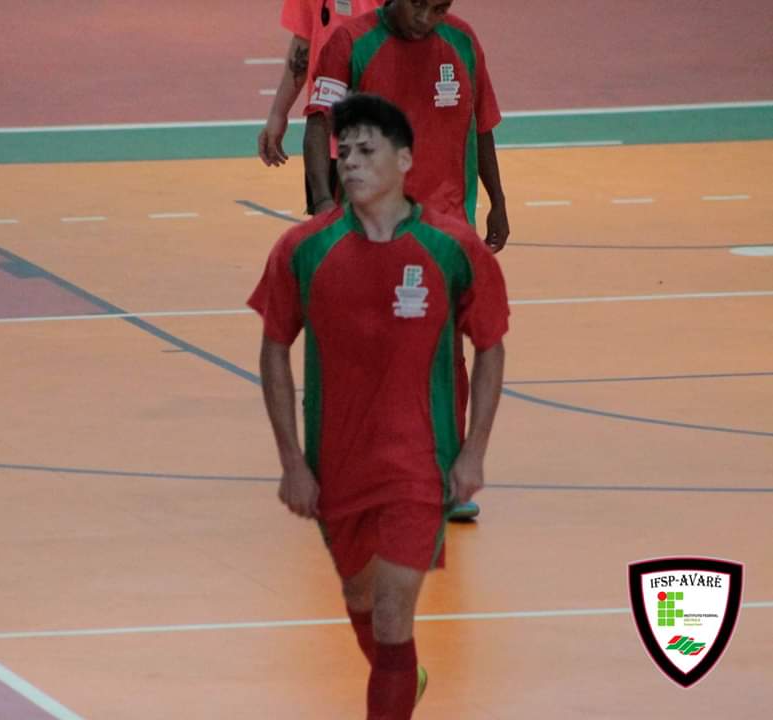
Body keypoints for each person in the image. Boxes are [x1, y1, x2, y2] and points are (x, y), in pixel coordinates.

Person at [248, 93, 508, 719]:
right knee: (364, 605)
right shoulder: (303, 250)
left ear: (406, 159)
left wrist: (472, 453)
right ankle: (403, 678)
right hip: (338, 466)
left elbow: (491, 345)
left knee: (393, 617)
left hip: (419, 467)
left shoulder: (452, 249)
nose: (352, 164)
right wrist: (292, 462)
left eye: (368, 151)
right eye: (346, 152)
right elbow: (273, 351)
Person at [304, 0, 510, 520]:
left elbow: (480, 127)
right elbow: (316, 128)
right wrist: (325, 207)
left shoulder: (462, 42)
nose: (427, 18)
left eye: (439, 7)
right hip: (368, 227)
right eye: (420, 5)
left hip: (445, 230)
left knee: (444, 352)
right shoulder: (350, 44)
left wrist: (498, 201)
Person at [258, 0, 385, 173]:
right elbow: (304, 40)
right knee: (322, 198)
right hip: (324, 138)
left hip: (381, 139)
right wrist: (278, 113)